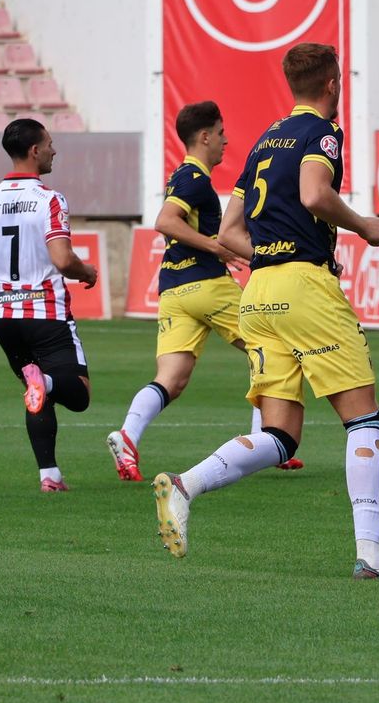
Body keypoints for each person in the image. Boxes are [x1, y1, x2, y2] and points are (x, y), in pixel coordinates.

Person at [151, 43, 379, 580]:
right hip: (304, 288)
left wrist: (272, 255)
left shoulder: (261, 144)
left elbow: (229, 234)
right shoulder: (324, 134)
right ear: (332, 84)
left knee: (281, 434)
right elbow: (316, 194)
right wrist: (364, 225)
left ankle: (186, 485)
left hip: (258, 293)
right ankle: (370, 554)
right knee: (362, 417)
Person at [108, 101, 304, 484]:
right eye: (220, 133)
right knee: (271, 344)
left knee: (172, 377)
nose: (225, 141)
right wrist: (216, 248)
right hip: (205, 286)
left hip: (174, 290)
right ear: (204, 136)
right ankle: (268, 440)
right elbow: (165, 221)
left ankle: (128, 437)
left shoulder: (182, 177)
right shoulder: (193, 177)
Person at [0, 119, 101, 493]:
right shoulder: (50, 199)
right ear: (34, 150)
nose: (54, 150)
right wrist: (88, 271)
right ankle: (44, 381)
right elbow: (63, 260)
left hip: (4, 319)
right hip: (44, 313)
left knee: (37, 393)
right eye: (49, 144)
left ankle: (49, 475)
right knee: (77, 394)